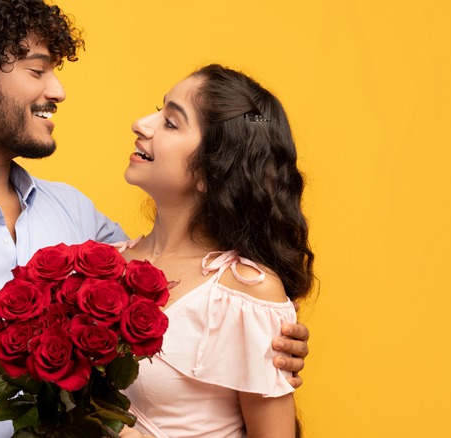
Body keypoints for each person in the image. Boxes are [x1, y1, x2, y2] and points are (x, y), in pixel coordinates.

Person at [0, 1, 310, 436]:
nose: (59, 89)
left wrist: (269, 340)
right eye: (36, 69)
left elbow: (179, 293)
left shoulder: (78, 218)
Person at [118, 65, 315, 437]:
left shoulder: (245, 292)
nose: (141, 123)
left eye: (171, 122)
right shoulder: (102, 264)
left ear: (211, 172)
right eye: (158, 111)